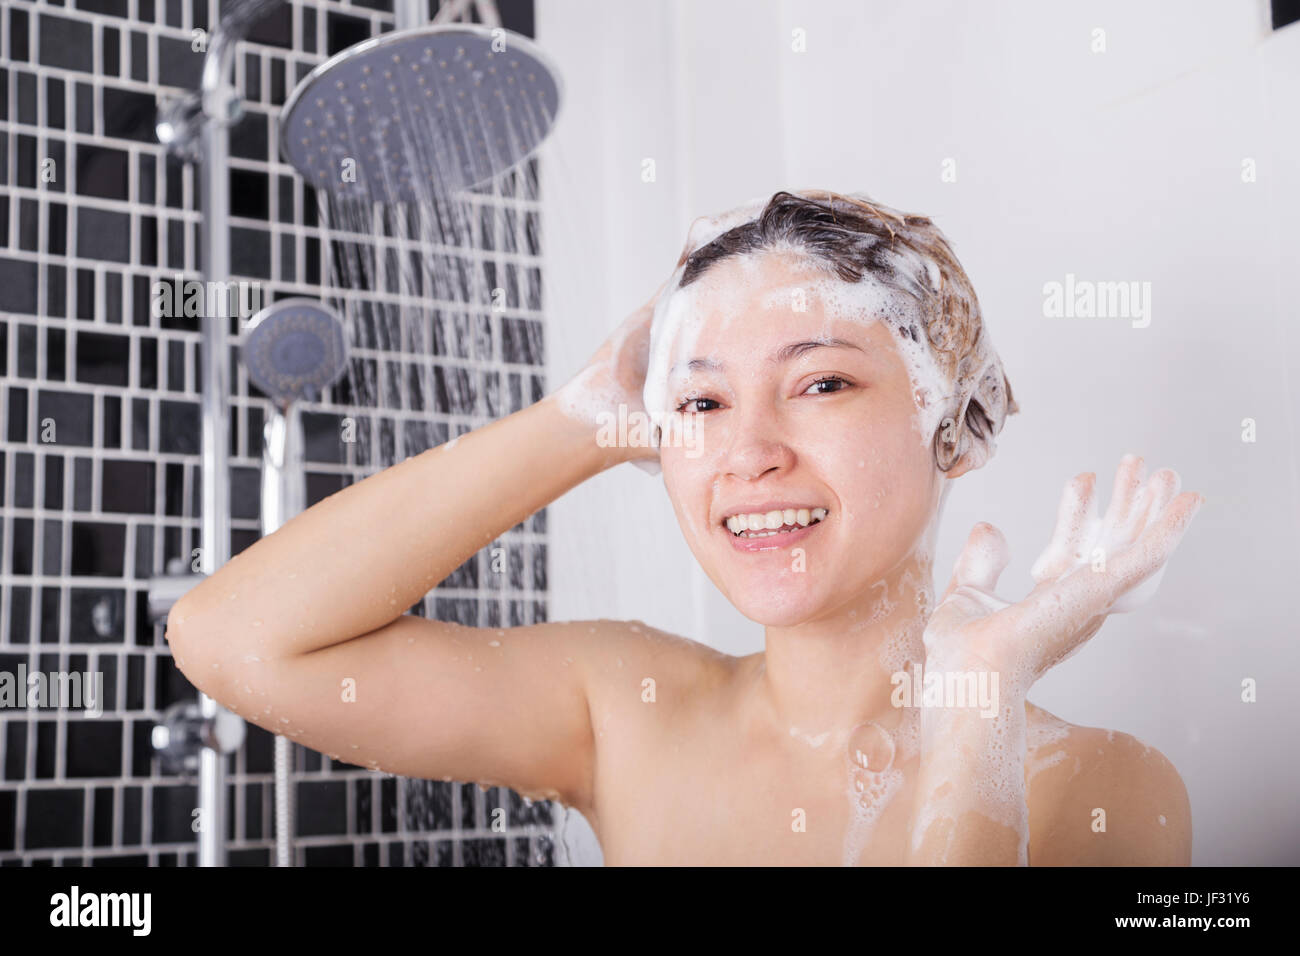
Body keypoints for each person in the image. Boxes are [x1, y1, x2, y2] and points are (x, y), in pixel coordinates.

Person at [167, 189, 1204, 865]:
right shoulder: (624, 706)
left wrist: (978, 708)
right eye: (702, 403)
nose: (748, 450)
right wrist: (573, 423)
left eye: (821, 381)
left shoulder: (1096, 788)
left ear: (956, 424)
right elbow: (232, 637)